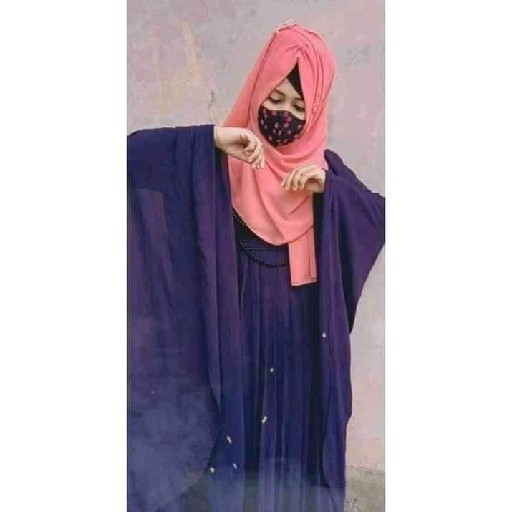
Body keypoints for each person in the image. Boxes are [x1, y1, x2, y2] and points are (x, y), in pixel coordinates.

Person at [128, 22, 385, 512]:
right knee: (231, 453)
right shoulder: (220, 163)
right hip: (232, 339)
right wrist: (210, 140)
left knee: (291, 463)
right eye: (275, 97)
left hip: (299, 349)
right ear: (257, 86)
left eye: (299, 107)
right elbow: (133, 157)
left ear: (316, 111)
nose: (283, 114)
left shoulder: (326, 171)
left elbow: (381, 215)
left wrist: (330, 194)